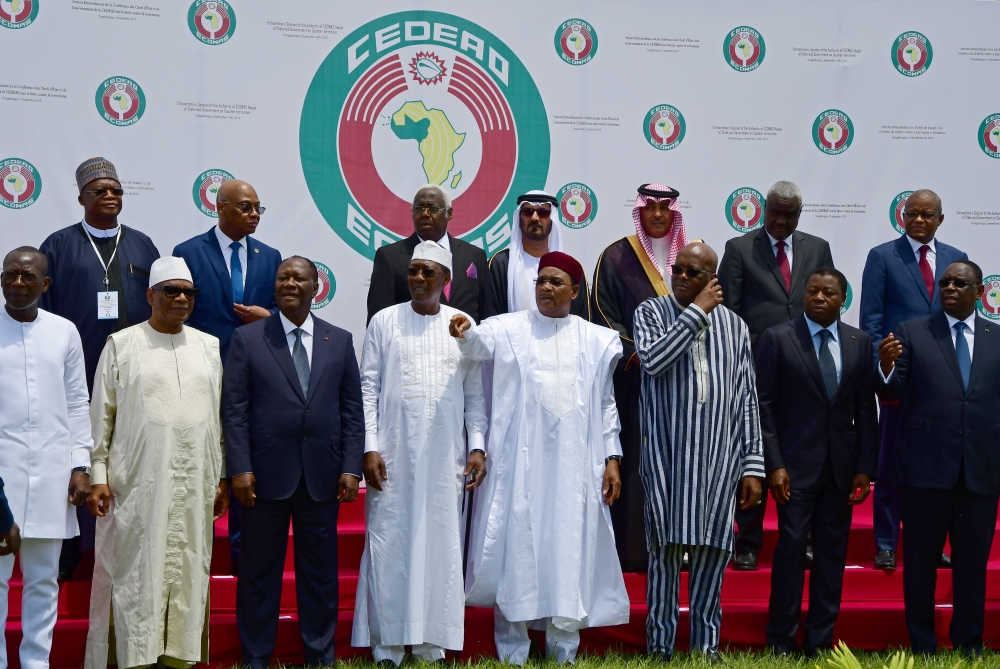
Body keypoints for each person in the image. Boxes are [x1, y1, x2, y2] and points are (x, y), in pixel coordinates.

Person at [453, 251, 629, 665]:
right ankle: (512, 650)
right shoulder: (508, 327)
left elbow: (606, 404)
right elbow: (479, 343)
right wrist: (464, 330)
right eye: (541, 281)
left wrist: (612, 457)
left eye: (555, 281)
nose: (546, 288)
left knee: (569, 549)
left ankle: (563, 649)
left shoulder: (595, 338)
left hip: (575, 469)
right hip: (519, 467)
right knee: (516, 549)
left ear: (574, 290)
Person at [84, 257, 229, 669]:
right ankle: (132, 658)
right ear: (150, 295)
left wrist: (220, 476)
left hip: (194, 484)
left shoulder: (209, 346)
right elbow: (102, 418)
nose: (181, 299)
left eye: (189, 292)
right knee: (134, 573)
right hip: (135, 486)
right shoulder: (122, 345)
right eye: (171, 291)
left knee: (187, 567)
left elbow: (218, 419)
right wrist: (98, 476)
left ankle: (178, 659)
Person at [223, 257, 364, 668]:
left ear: (314, 286)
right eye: (283, 277)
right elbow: (234, 409)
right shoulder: (249, 339)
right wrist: (239, 467)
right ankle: (255, 658)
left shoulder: (338, 340)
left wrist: (350, 467)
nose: (289, 283)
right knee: (258, 575)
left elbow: (351, 410)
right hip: (263, 478)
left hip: (321, 477)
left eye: (298, 278)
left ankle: (320, 657)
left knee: (319, 577)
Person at [352, 242, 487, 665]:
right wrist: (369, 446)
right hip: (392, 456)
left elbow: (475, 395)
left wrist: (478, 445)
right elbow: (367, 389)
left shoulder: (463, 325)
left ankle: (432, 641)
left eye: (428, 273)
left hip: (446, 456)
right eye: (413, 272)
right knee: (389, 540)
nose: (418, 279)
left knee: (441, 543)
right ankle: (388, 643)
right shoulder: (384, 321)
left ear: (446, 280)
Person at [633, 242, 763, 662]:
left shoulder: (736, 327)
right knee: (666, 553)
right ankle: (660, 646)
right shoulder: (651, 312)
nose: (683, 278)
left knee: (712, 552)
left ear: (712, 279)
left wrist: (753, 464)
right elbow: (653, 360)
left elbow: (746, 399)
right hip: (667, 459)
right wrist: (696, 312)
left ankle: (706, 647)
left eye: (694, 273)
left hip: (717, 461)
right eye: (679, 269)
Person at [39, 157, 159, 580]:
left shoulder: (143, 245)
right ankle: (69, 558)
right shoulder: (57, 246)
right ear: (81, 198)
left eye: (116, 191)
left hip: (133, 377)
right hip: (76, 379)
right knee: (78, 466)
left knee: (128, 464)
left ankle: (128, 554)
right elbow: (44, 314)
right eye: (100, 191)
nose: (110, 196)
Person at [876, 260, 999, 656]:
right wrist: (885, 365)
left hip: (980, 471)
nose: (949, 288)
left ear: (979, 292)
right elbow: (891, 390)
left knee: (971, 566)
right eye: (944, 282)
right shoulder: (914, 332)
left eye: (959, 283)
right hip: (924, 470)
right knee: (921, 566)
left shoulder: (997, 338)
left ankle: (969, 644)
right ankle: (923, 645)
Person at [755, 267, 878, 656]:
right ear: (804, 296)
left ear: (843, 299)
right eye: (813, 291)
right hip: (793, 469)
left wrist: (864, 467)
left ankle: (821, 642)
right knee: (790, 552)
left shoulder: (860, 341)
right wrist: (773, 464)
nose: (820, 298)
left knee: (831, 557)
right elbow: (764, 406)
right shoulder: (777, 338)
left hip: (841, 471)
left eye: (828, 293)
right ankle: (781, 640)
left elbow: (864, 408)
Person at [718, 180, 835, 571]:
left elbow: (826, 300)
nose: (781, 220)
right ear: (764, 209)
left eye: (790, 214)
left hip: (806, 369)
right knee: (752, 454)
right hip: (755, 368)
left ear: (799, 214)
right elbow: (728, 314)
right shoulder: (739, 249)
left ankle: (800, 541)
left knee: (801, 454)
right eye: (776, 212)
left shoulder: (817, 248)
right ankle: (747, 541)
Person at [173, 178, 281, 574]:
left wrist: (266, 317)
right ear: (221, 208)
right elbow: (178, 309)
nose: (254, 215)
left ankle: (242, 557)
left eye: (258, 208)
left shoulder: (270, 256)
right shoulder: (187, 252)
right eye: (246, 207)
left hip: (254, 376)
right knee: (198, 459)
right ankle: (189, 559)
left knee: (243, 463)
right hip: (201, 372)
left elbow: (279, 311)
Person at [860, 189, 967, 571]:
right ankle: (886, 542)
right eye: (912, 214)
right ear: (902, 217)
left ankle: (932, 541)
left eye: (927, 215)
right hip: (899, 377)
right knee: (890, 464)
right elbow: (871, 320)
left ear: (941, 218)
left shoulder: (957, 260)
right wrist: (882, 370)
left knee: (936, 468)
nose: (919, 220)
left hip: (944, 382)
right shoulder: (883, 257)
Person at [0, 247, 93, 669]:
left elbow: (78, 401)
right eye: (9, 276)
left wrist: (80, 464)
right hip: (1, 477)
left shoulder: (64, 331)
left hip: (54, 474)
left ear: (46, 284)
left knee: (43, 580)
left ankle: (36, 662)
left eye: (27, 277)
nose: (18, 284)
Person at [591, 183, 688, 573]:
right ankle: (635, 552)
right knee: (636, 463)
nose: (659, 214)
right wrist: (639, 353)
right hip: (636, 383)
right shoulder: (616, 257)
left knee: (682, 462)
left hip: (684, 383)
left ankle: (682, 545)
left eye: (666, 208)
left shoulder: (690, 255)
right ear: (640, 211)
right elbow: (602, 314)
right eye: (651, 207)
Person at [366, 184, 493, 325]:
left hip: (465, 344)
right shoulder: (390, 257)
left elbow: (488, 316)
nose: (425, 214)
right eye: (419, 208)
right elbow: (378, 320)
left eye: (432, 208)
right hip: (412, 342)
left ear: (449, 213)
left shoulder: (475, 256)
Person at [488, 191, 589, 318]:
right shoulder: (501, 264)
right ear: (519, 217)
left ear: (552, 219)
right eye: (528, 211)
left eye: (543, 212)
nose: (535, 218)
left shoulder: (568, 268)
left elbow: (582, 320)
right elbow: (491, 316)